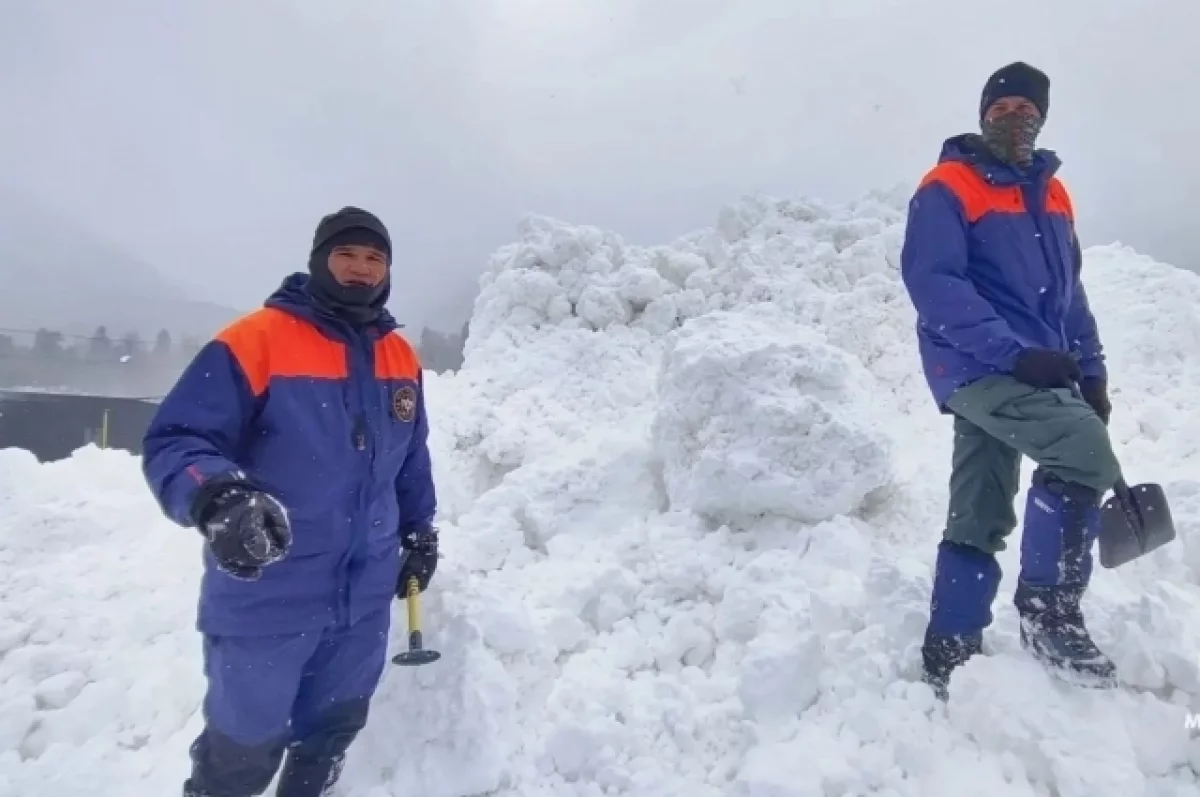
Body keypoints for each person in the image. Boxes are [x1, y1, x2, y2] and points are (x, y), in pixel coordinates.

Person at [142, 207, 439, 796]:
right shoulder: (256, 341)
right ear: (319, 260)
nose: (361, 268)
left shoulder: (399, 355)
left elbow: (410, 458)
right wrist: (220, 498)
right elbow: (178, 439)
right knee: (241, 751)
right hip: (268, 593)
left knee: (331, 731)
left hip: (363, 601)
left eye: (374, 258)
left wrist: (418, 532)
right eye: (346, 254)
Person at [899, 62, 1120, 700]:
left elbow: (1069, 295)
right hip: (973, 363)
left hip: (1034, 364)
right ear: (982, 116)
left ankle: (951, 640)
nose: (1013, 118)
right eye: (1000, 109)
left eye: (1026, 109)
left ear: (1041, 117)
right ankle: (1049, 613)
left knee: (980, 500)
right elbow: (935, 284)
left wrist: (1092, 371)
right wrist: (1013, 353)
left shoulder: (1054, 194)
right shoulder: (948, 186)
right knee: (1084, 452)